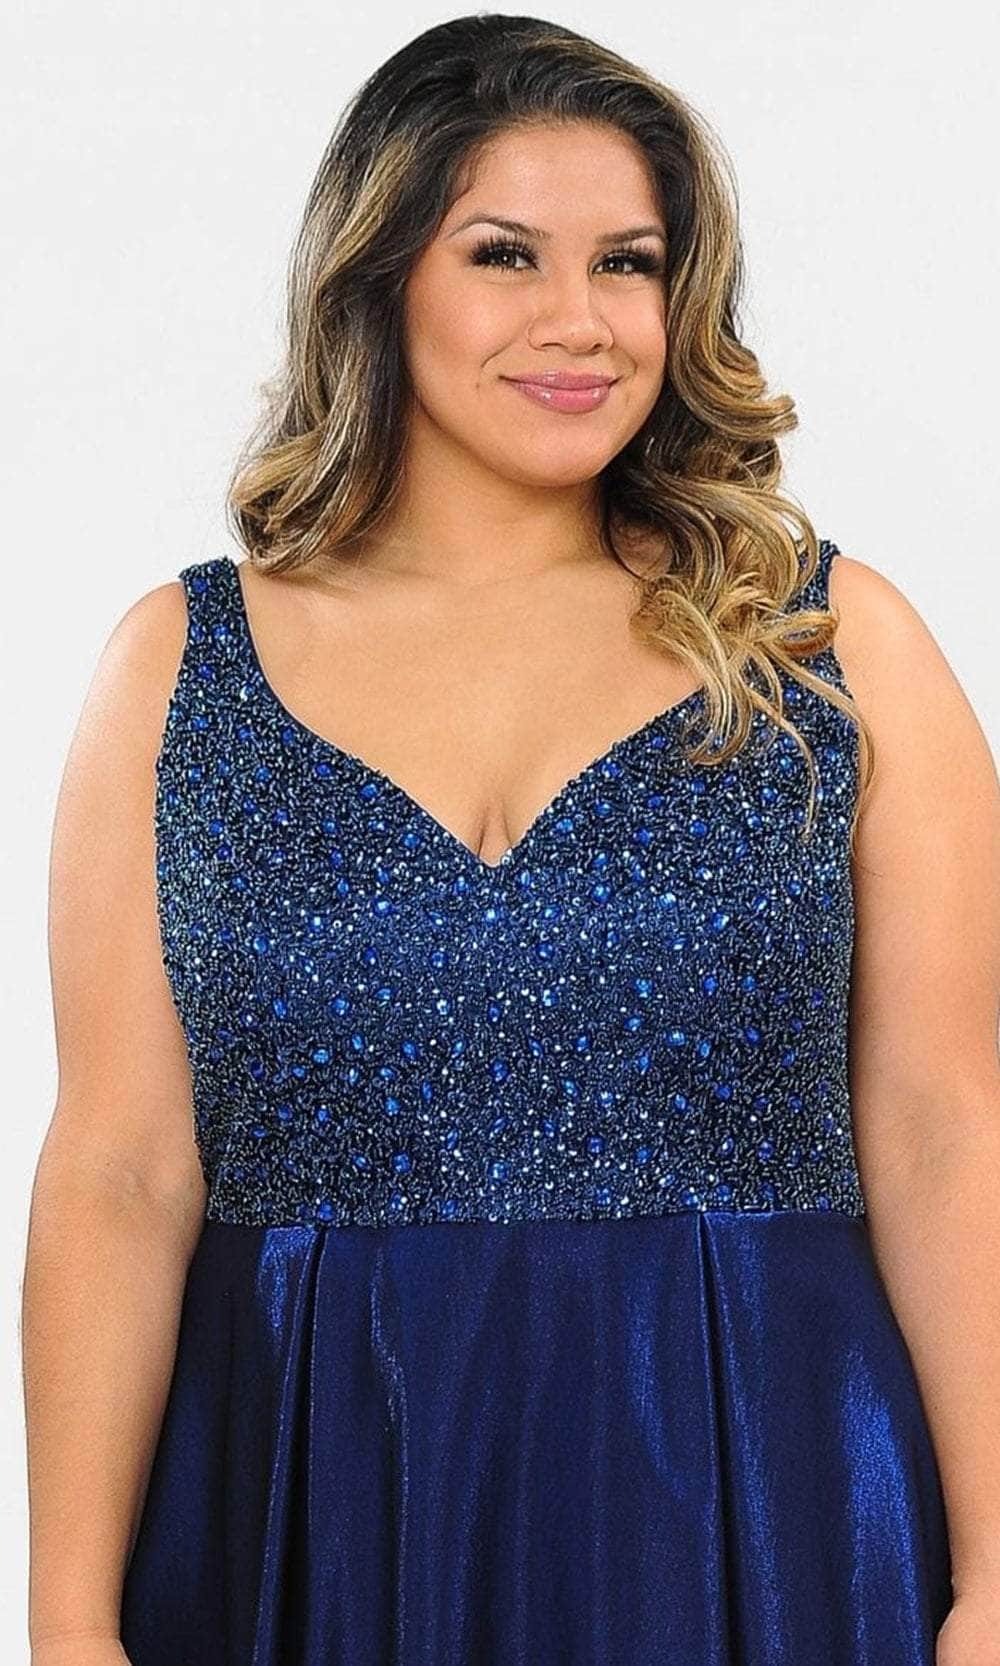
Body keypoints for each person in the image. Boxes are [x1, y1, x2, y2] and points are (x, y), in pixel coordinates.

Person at [22, 13, 1000, 1666]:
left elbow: (942, 1131)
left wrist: (997, 1574)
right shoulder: (179, 669)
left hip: (762, 1494)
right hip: (320, 1492)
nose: (580, 321)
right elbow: (120, 1170)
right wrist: (65, 1621)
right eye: (504, 254)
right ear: (378, 278)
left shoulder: (827, 646)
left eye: (628, 262)